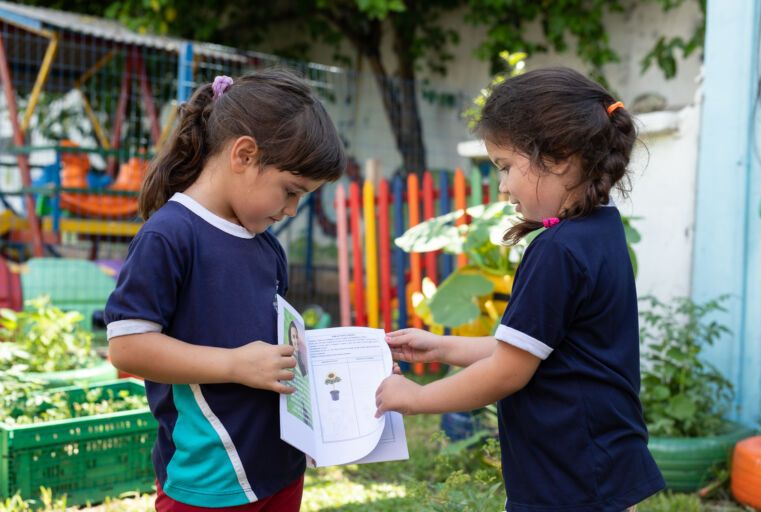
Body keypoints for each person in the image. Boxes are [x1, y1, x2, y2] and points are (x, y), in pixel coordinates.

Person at [375, 67, 665, 512]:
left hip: (566, 475)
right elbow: (529, 348)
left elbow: (508, 371)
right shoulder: (601, 232)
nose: (504, 184)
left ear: (561, 156)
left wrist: (417, 399)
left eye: (506, 166)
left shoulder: (556, 251)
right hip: (598, 460)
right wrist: (439, 348)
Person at [105, 70, 345, 512]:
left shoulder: (267, 247)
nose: (292, 209)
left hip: (281, 470)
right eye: (291, 191)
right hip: (209, 481)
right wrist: (234, 364)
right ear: (244, 155)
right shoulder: (170, 236)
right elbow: (127, 347)